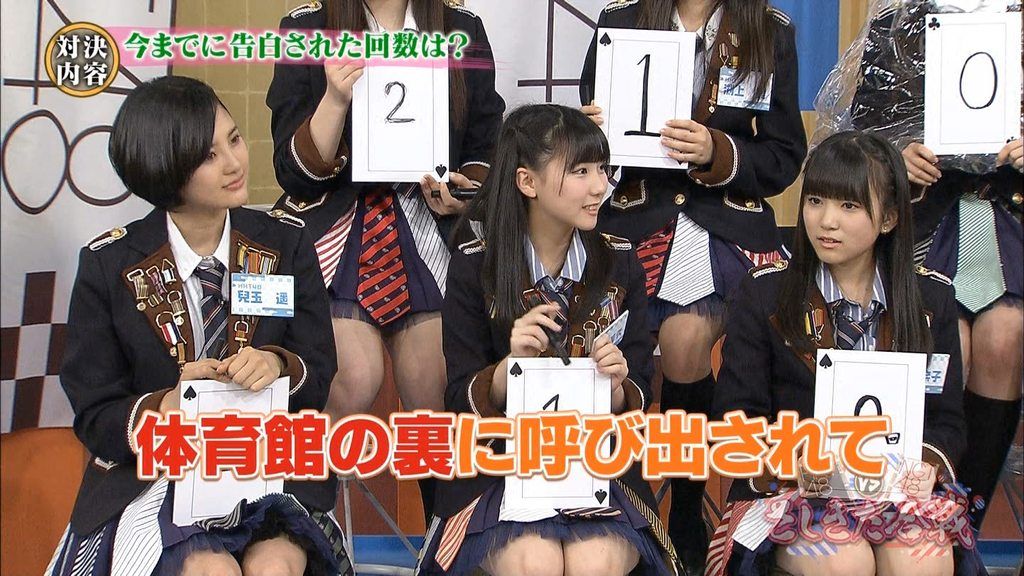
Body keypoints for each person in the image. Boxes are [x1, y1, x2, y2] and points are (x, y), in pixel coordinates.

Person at [46, 76, 347, 576]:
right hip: (156, 475)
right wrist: (166, 405)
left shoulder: (286, 243)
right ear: (164, 168)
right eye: (208, 156)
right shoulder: (109, 265)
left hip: (268, 468)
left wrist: (276, 365)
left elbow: (317, 370)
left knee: (275, 566)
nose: (234, 162)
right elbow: (95, 413)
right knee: (210, 569)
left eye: (234, 139)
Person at [578, 0, 807, 567]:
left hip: (724, 222)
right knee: (601, 349)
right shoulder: (620, 22)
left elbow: (785, 156)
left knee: (684, 341)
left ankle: (684, 511)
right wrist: (592, 134)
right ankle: (622, 503)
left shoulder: (768, 29)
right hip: (632, 219)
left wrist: (718, 151)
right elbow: (584, 139)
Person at [265, 0, 505, 520]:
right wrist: (334, 98)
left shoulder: (460, 27)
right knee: (350, 379)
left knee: (439, 392)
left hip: (429, 225)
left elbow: (486, 143)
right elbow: (292, 172)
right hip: (339, 228)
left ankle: (446, 539)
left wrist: (465, 190)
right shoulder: (307, 26)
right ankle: (303, 532)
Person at [416, 104, 675, 575]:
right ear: (527, 182)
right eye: (580, 171)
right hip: (499, 467)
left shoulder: (620, 261)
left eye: (602, 169)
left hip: (598, 466)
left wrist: (617, 386)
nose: (599, 186)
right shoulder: (476, 265)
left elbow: (639, 389)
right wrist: (507, 368)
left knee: (593, 561)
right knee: (535, 561)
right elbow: (458, 399)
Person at [711, 130, 968, 576]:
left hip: (894, 491)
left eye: (849, 206)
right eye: (816, 201)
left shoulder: (931, 300)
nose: (826, 221)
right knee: (844, 559)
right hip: (789, 491)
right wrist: (791, 461)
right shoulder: (764, 294)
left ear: (888, 218)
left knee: (923, 558)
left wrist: (928, 465)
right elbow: (735, 419)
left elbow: (946, 420)